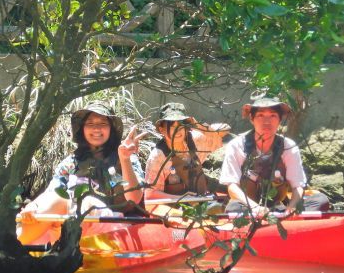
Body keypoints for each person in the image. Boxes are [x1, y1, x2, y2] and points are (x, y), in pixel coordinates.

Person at [17, 102, 145, 244]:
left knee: (82, 202)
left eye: (103, 123)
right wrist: (33, 207)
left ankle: (17, 244)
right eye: (90, 123)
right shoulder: (71, 163)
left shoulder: (126, 157)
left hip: (116, 224)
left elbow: (134, 198)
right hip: (75, 223)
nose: (96, 128)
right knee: (56, 201)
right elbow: (52, 192)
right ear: (82, 129)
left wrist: (125, 159)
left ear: (111, 129)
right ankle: (13, 247)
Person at [219, 96, 329, 219]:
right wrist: (256, 208)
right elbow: (231, 186)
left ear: (280, 119)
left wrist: (292, 208)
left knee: (320, 200)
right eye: (260, 115)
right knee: (233, 208)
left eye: (273, 116)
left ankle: (285, 218)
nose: (267, 121)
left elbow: (298, 185)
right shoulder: (237, 145)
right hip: (247, 207)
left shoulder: (288, 146)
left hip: (277, 207)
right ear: (251, 119)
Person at [144, 102, 230, 207]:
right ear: (162, 129)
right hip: (173, 209)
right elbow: (149, 196)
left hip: (202, 203)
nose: (178, 130)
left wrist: (198, 126)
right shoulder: (157, 157)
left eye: (181, 125)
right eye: (172, 126)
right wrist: (183, 199)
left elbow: (225, 129)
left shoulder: (195, 140)